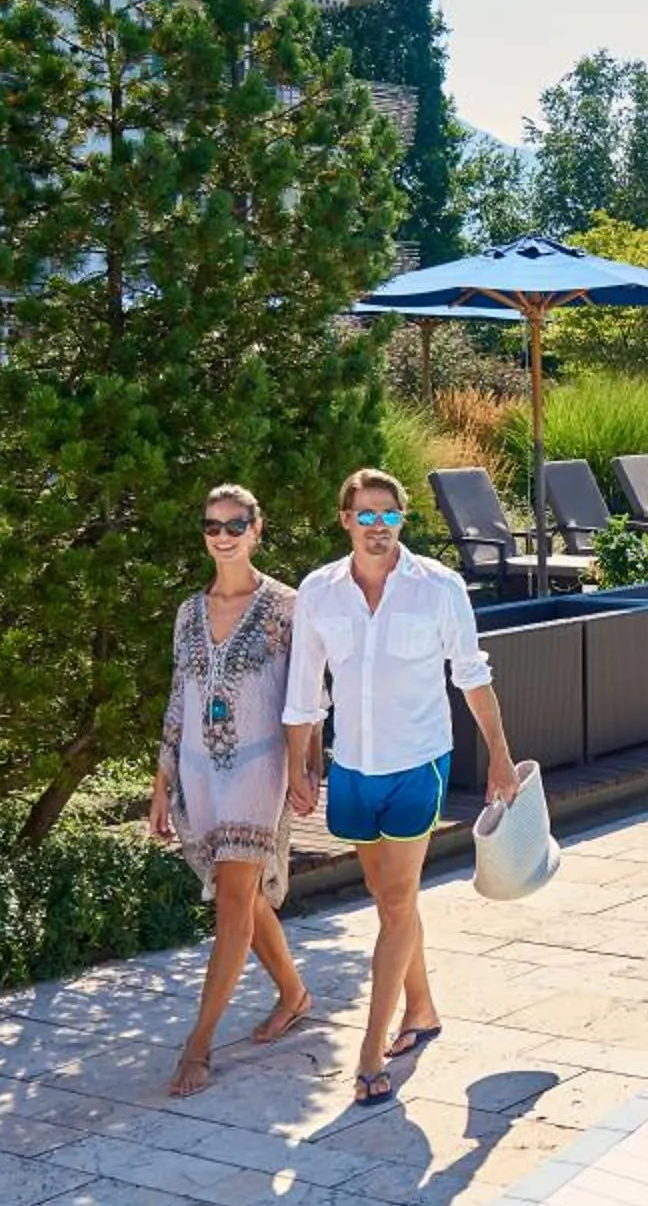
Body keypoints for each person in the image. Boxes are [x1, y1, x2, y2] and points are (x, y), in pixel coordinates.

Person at [284, 468, 518, 1104]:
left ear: (402, 520)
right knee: (386, 892)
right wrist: (300, 764)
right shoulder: (319, 592)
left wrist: (499, 757)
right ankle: (422, 1008)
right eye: (366, 514)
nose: (378, 526)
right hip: (353, 765)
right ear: (346, 519)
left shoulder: (438, 587)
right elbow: (306, 688)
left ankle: (369, 1050)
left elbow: (472, 674)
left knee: (392, 901)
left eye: (389, 515)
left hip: (419, 761)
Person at [151, 484, 314, 1097]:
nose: (223, 535)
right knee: (235, 892)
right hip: (197, 765)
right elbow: (178, 697)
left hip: (258, 767)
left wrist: (305, 765)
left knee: (232, 899)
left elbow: (305, 697)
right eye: (212, 525)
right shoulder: (189, 611)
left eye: (235, 524)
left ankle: (198, 1045)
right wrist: (163, 778)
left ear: (257, 528)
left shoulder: (286, 607)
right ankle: (294, 994)